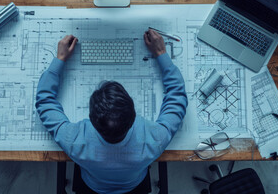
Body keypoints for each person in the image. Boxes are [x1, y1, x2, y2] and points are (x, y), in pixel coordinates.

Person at [35, 29, 187, 194]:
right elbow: (177, 97)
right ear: (134, 116)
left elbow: (44, 101)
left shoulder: (74, 141)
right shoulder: (154, 140)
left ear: (91, 119)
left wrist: (60, 59)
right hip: (134, 185)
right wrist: (161, 53)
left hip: (93, 185)